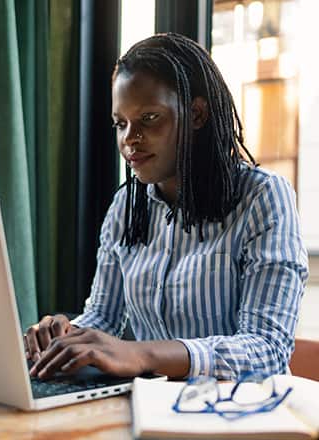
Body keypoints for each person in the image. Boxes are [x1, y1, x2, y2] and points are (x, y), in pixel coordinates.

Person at [24, 33, 309, 381]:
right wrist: (65, 337)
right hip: (150, 411)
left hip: (237, 417)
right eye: (120, 123)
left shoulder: (262, 198)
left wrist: (139, 353)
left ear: (197, 115)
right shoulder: (126, 208)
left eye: (148, 118)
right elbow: (102, 317)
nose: (129, 139)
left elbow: (267, 351)